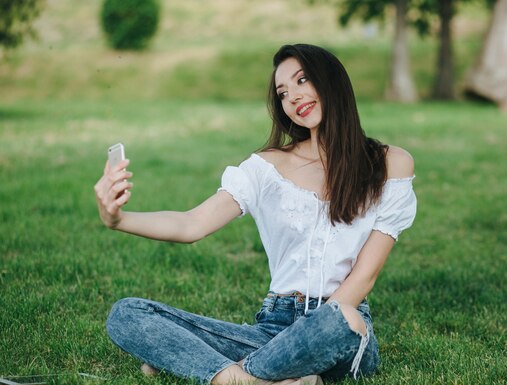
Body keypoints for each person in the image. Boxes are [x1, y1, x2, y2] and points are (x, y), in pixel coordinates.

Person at [94, 44, 417, 385]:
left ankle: (229, 371)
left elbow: (365, 277)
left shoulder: (390, 164)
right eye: (282, 93)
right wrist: (118, 219)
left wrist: (310, 334)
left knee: (342, 322)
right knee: (128, 314)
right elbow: (192, 224)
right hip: (273, 328)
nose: (292, 97)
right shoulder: (267, 167)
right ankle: (270, 377)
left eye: (302, 80)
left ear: (332, 80)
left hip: (338, 325)